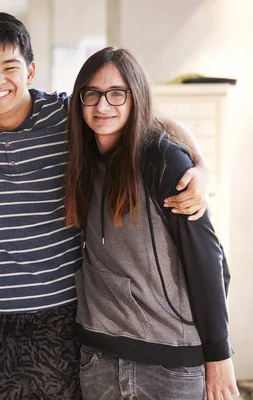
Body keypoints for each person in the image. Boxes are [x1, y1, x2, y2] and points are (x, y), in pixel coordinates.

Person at [0, 11, 211, 400]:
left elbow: (146, 121)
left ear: (30, 72)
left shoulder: (66, 115)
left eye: (10, 66)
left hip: (65, 315)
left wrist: (201, 164)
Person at [64, 47, 238, 400]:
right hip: (98, 358)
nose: (102, 106)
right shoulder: (80, 158)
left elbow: (207, 261)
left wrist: (219, 353)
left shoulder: (163, 160)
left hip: (169, 364)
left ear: (135, 97)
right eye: (92, 94)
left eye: (116, 94)